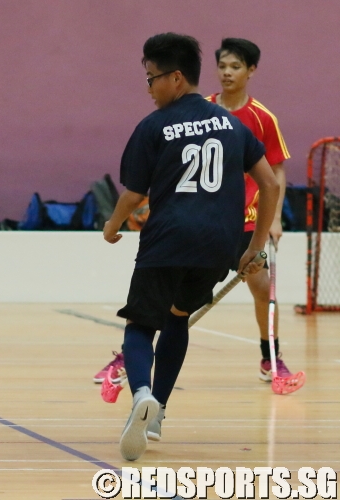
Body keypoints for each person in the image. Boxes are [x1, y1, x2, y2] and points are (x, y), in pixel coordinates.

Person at [103, 33, 279, 461]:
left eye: (151, 79)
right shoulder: (231, 123)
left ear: (176, 78)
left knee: (141, 325)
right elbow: (271, 184)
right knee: (178, 316)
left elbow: (132, 196)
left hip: (168, 240)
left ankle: (142, 394)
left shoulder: (154, 126)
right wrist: (254, 247)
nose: (148, 89)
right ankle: (158, 413)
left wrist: (111, 226)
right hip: (219, 246)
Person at [207, 38, 296, 381]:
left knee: (262, 288)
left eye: (235, 67)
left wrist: (273, 218)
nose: (227, 73)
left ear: (251, 71)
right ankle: (135, 353)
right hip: (205, 220)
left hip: (248, 221)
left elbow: (276, 170)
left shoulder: (262, 118)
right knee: (174, 287)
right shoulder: (200, 111)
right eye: (223, 66)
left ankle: (269, 357)